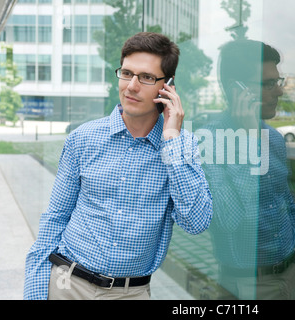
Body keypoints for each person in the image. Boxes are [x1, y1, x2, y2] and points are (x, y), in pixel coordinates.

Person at [23, 32, 213, 300]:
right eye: (126, 73)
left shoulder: (183, 148)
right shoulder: (83, 138)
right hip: (67, 285)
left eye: (146, 77)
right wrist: (35, 292)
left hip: (130, 293)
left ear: (168, 86)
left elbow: (196, 222)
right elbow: (55, 217)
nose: (131, 86)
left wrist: (171, 139)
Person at [202, 39, 295, 299]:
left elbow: (289, 209)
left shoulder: (274, 139)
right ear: (236, 90)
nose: (279, 92)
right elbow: (231, 220)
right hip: (250, 285)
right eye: (268, 84)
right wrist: (248, 142)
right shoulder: (209, 143)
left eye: (277, 82)